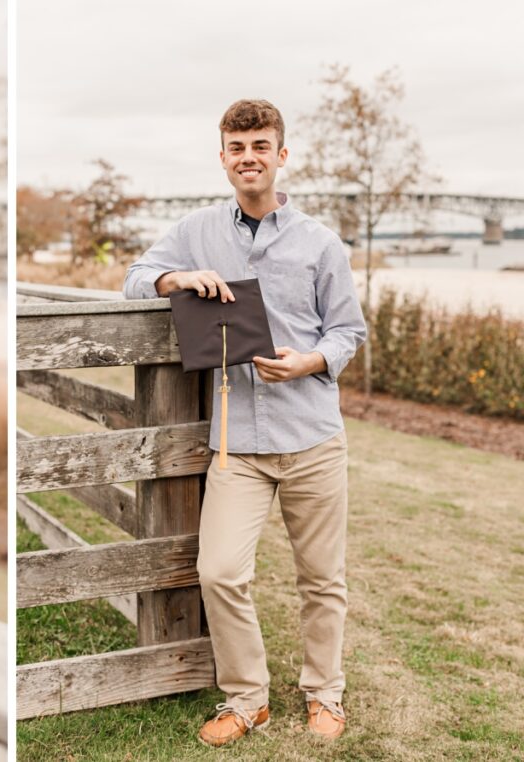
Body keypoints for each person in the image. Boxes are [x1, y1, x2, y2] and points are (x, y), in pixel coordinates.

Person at [123, 99, 366, 747]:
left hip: (312, 436)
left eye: (261, 146)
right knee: (220, 572)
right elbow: (133, 276)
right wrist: (177, 276)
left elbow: (349, 330)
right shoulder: (197, 229)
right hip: (237, 443)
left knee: (322, 579)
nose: (249, 157)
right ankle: (248, 698)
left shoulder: (320, 242)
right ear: (223, 156)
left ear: (281, 155)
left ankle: (325, 694)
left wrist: (312, 359)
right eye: (237, 147)